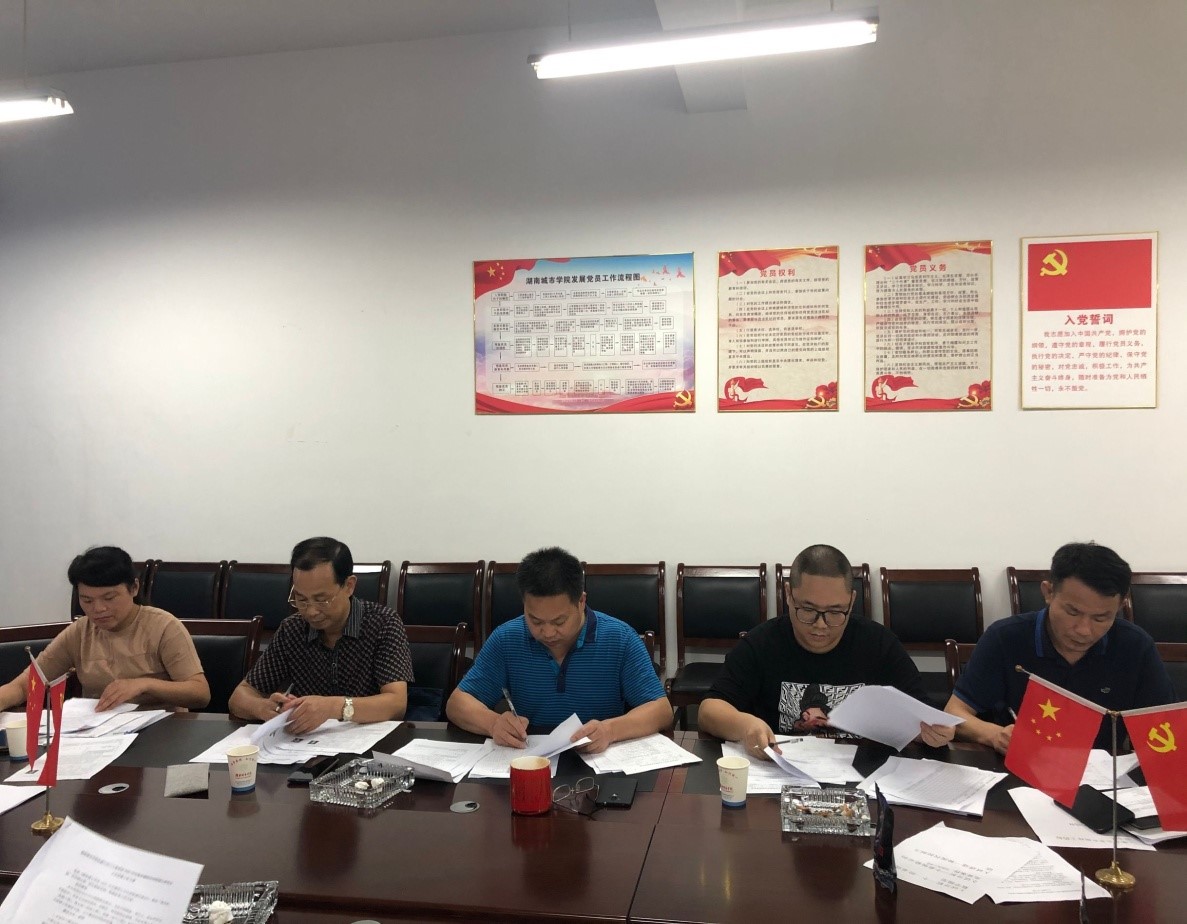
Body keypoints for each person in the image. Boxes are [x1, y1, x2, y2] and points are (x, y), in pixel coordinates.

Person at [699, 544, 954, 759]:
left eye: (835, 612)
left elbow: (922, 716)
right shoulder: (762, 643)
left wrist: (932, 732)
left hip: (863, 776)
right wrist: (746, 726)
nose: (820, 625)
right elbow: (709, 710)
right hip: (782, 772)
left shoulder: (880, 645)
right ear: (788, 595)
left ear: (852, 601)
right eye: (808, 610)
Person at [945, 541, 1174, 753]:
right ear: (1048, 592)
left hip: (1101, 774)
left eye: (1101, 618)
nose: (1084, 630)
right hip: (1018, 768)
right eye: (1072, 612)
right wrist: (996, 735)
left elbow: (1166, 729)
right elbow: (955, 712)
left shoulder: (1135, 646)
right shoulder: (1005, 638)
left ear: (1120, 606)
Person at [446, 546, 672, 753]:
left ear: (581, 602)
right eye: (535, 620)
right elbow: (457, 704)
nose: (547, 632)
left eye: (559, 621)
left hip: (597, 759)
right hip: (531, 759)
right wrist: (493, 723)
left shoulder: (620, 638)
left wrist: (610, 730)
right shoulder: (507, 638)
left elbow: (661, 710)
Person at [228, 537, 413, 734]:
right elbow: (239, 697)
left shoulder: (383, 623)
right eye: (301, 599)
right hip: (306, 744)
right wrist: (264, 708)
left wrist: (332, 707)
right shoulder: (292, 629)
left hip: (368, 741)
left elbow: (396, 704)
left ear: (349, 586)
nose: (311, 611)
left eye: (322, 600)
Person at [0, 546, 209, 711]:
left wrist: (145, 684)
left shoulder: (164, 626)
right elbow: (24, 685)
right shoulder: (80, 632)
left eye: (109, 598)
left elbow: (200, 693)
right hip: (100, 735)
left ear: (134, 588)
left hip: (164, 733)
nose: (98, 609)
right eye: (87, 600)